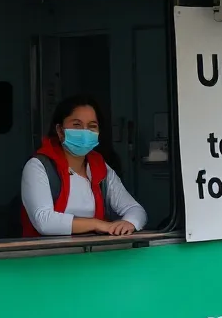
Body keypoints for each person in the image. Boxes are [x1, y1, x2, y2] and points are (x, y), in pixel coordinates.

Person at [21, 95, 147, 237]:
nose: (85, 132)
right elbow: (44, 221)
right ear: (60, 130)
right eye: (77, 125)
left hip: (92, 249)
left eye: (92, 126)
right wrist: (97, 224)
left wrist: (129, 223)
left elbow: (135, 209)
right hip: (48, 250)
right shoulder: (38, 166)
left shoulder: (100, 167)